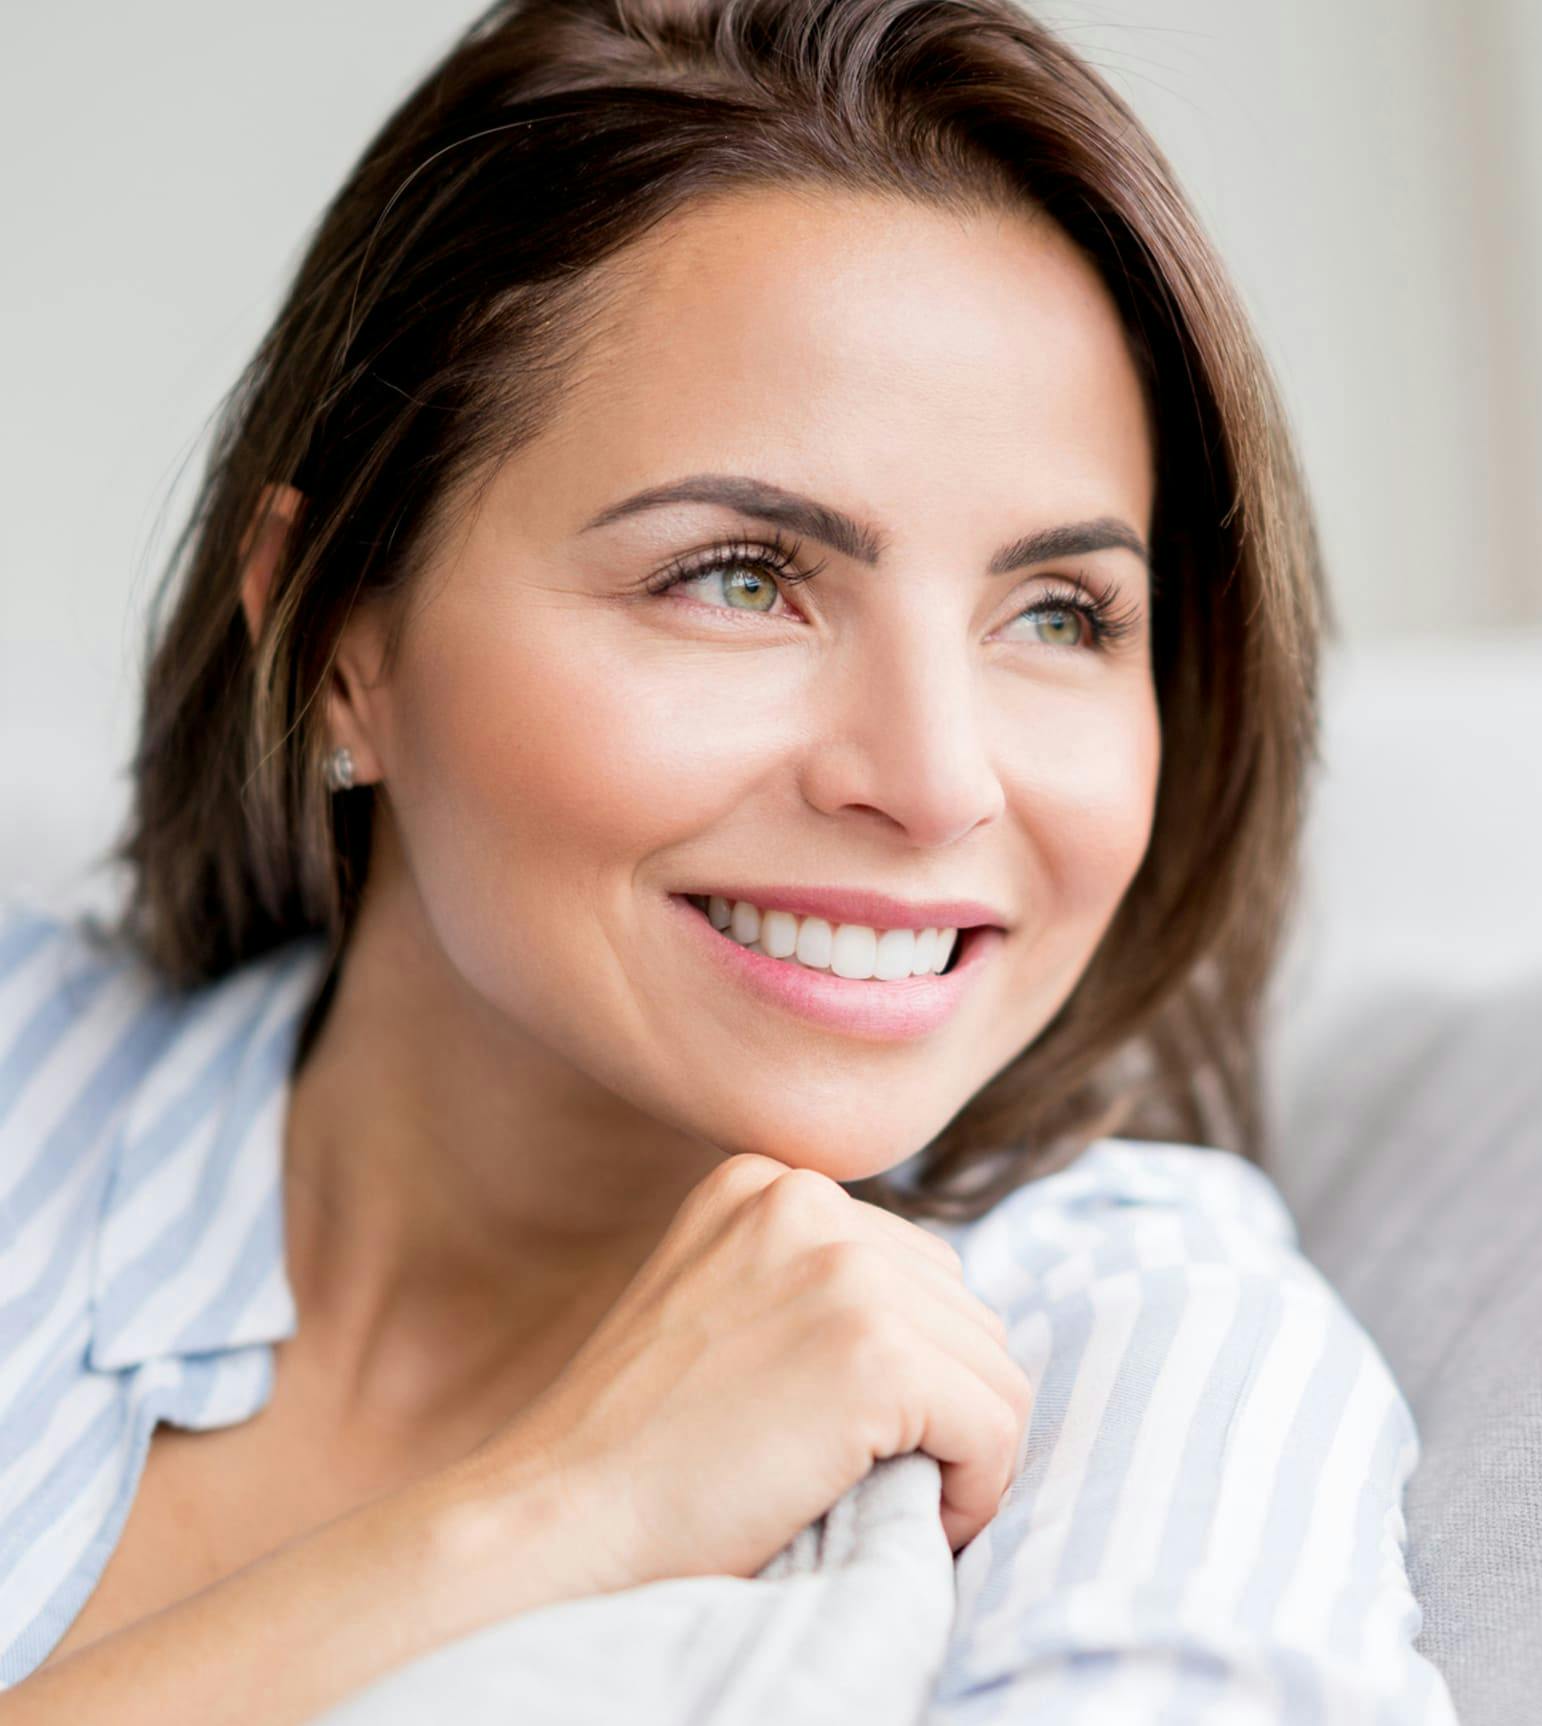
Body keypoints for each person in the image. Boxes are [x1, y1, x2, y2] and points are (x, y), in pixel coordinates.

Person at [0, 0, 1459, 1719]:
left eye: (1060, 613)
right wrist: (552, 1517)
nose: (934, 781)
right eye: (740, 578)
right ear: (337, 646)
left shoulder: (1142, 1354)